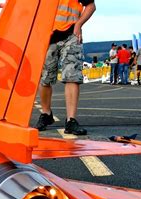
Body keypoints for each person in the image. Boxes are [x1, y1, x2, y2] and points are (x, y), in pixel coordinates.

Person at [34, 0, 96, 135]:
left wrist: (78, 24)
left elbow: (91, 5)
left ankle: (71, 120)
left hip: (70, 34)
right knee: (45, 78)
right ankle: (46, 114)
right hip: (47, 36)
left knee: (72, 76)